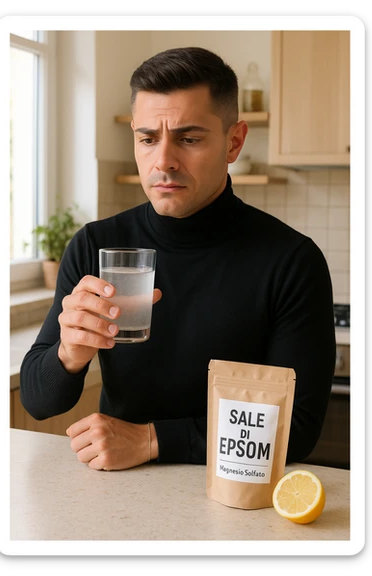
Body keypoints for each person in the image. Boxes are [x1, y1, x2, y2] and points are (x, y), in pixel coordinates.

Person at [20, 46, 336, 472]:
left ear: (234, 142)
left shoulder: (292, 262)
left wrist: (152, 439)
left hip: (237, 499)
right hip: (118, 495)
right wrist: (69, 354)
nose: (164, 161)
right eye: (148, 139)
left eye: (189, 139)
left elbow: (297, 428)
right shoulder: (96, 244)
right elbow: (38, 402)